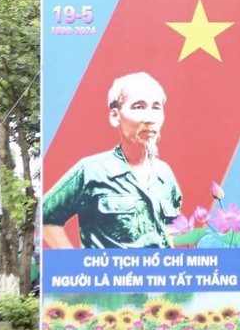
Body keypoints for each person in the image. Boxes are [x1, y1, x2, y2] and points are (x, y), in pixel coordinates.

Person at [42, 72, 183, 248]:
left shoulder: (165, 174)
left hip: (160, 274)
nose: (150, 118)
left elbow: (169, 230)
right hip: (110, 275)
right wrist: (76, 265)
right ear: (115, 116)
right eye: (139, 107)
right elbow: (45, 217)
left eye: (156, 107)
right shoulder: (91, 170)